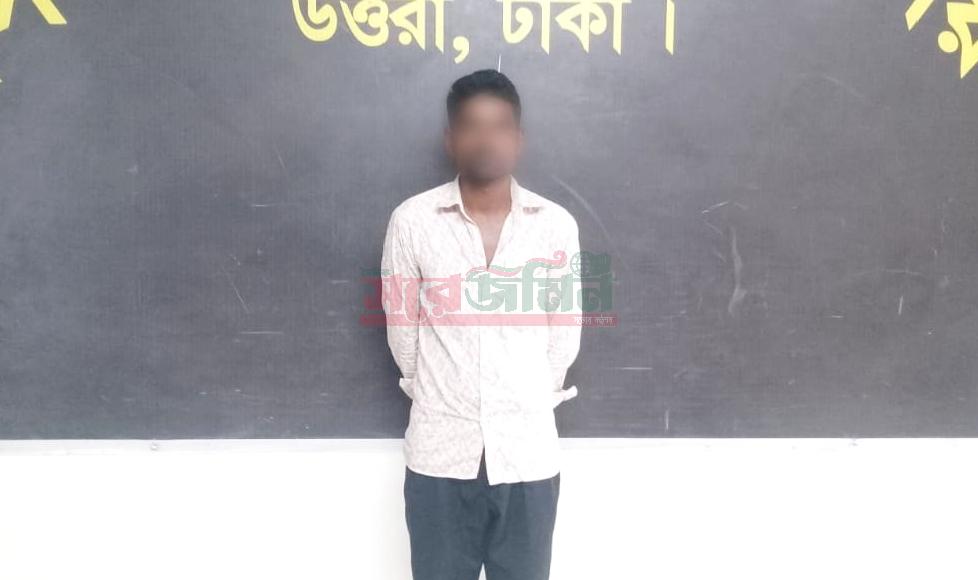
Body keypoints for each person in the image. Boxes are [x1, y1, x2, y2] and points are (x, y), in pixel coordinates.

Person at [381, 69, 583, 580]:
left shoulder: (555, 225)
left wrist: (522, 399)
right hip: (440, 457)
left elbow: (563, 337)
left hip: (527, 458)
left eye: (499, 126)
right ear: (450, 139)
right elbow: (403, 332)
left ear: (519, 139)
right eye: (472, 126)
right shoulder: (413, 220)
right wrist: (442, 392)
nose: (486, 140)